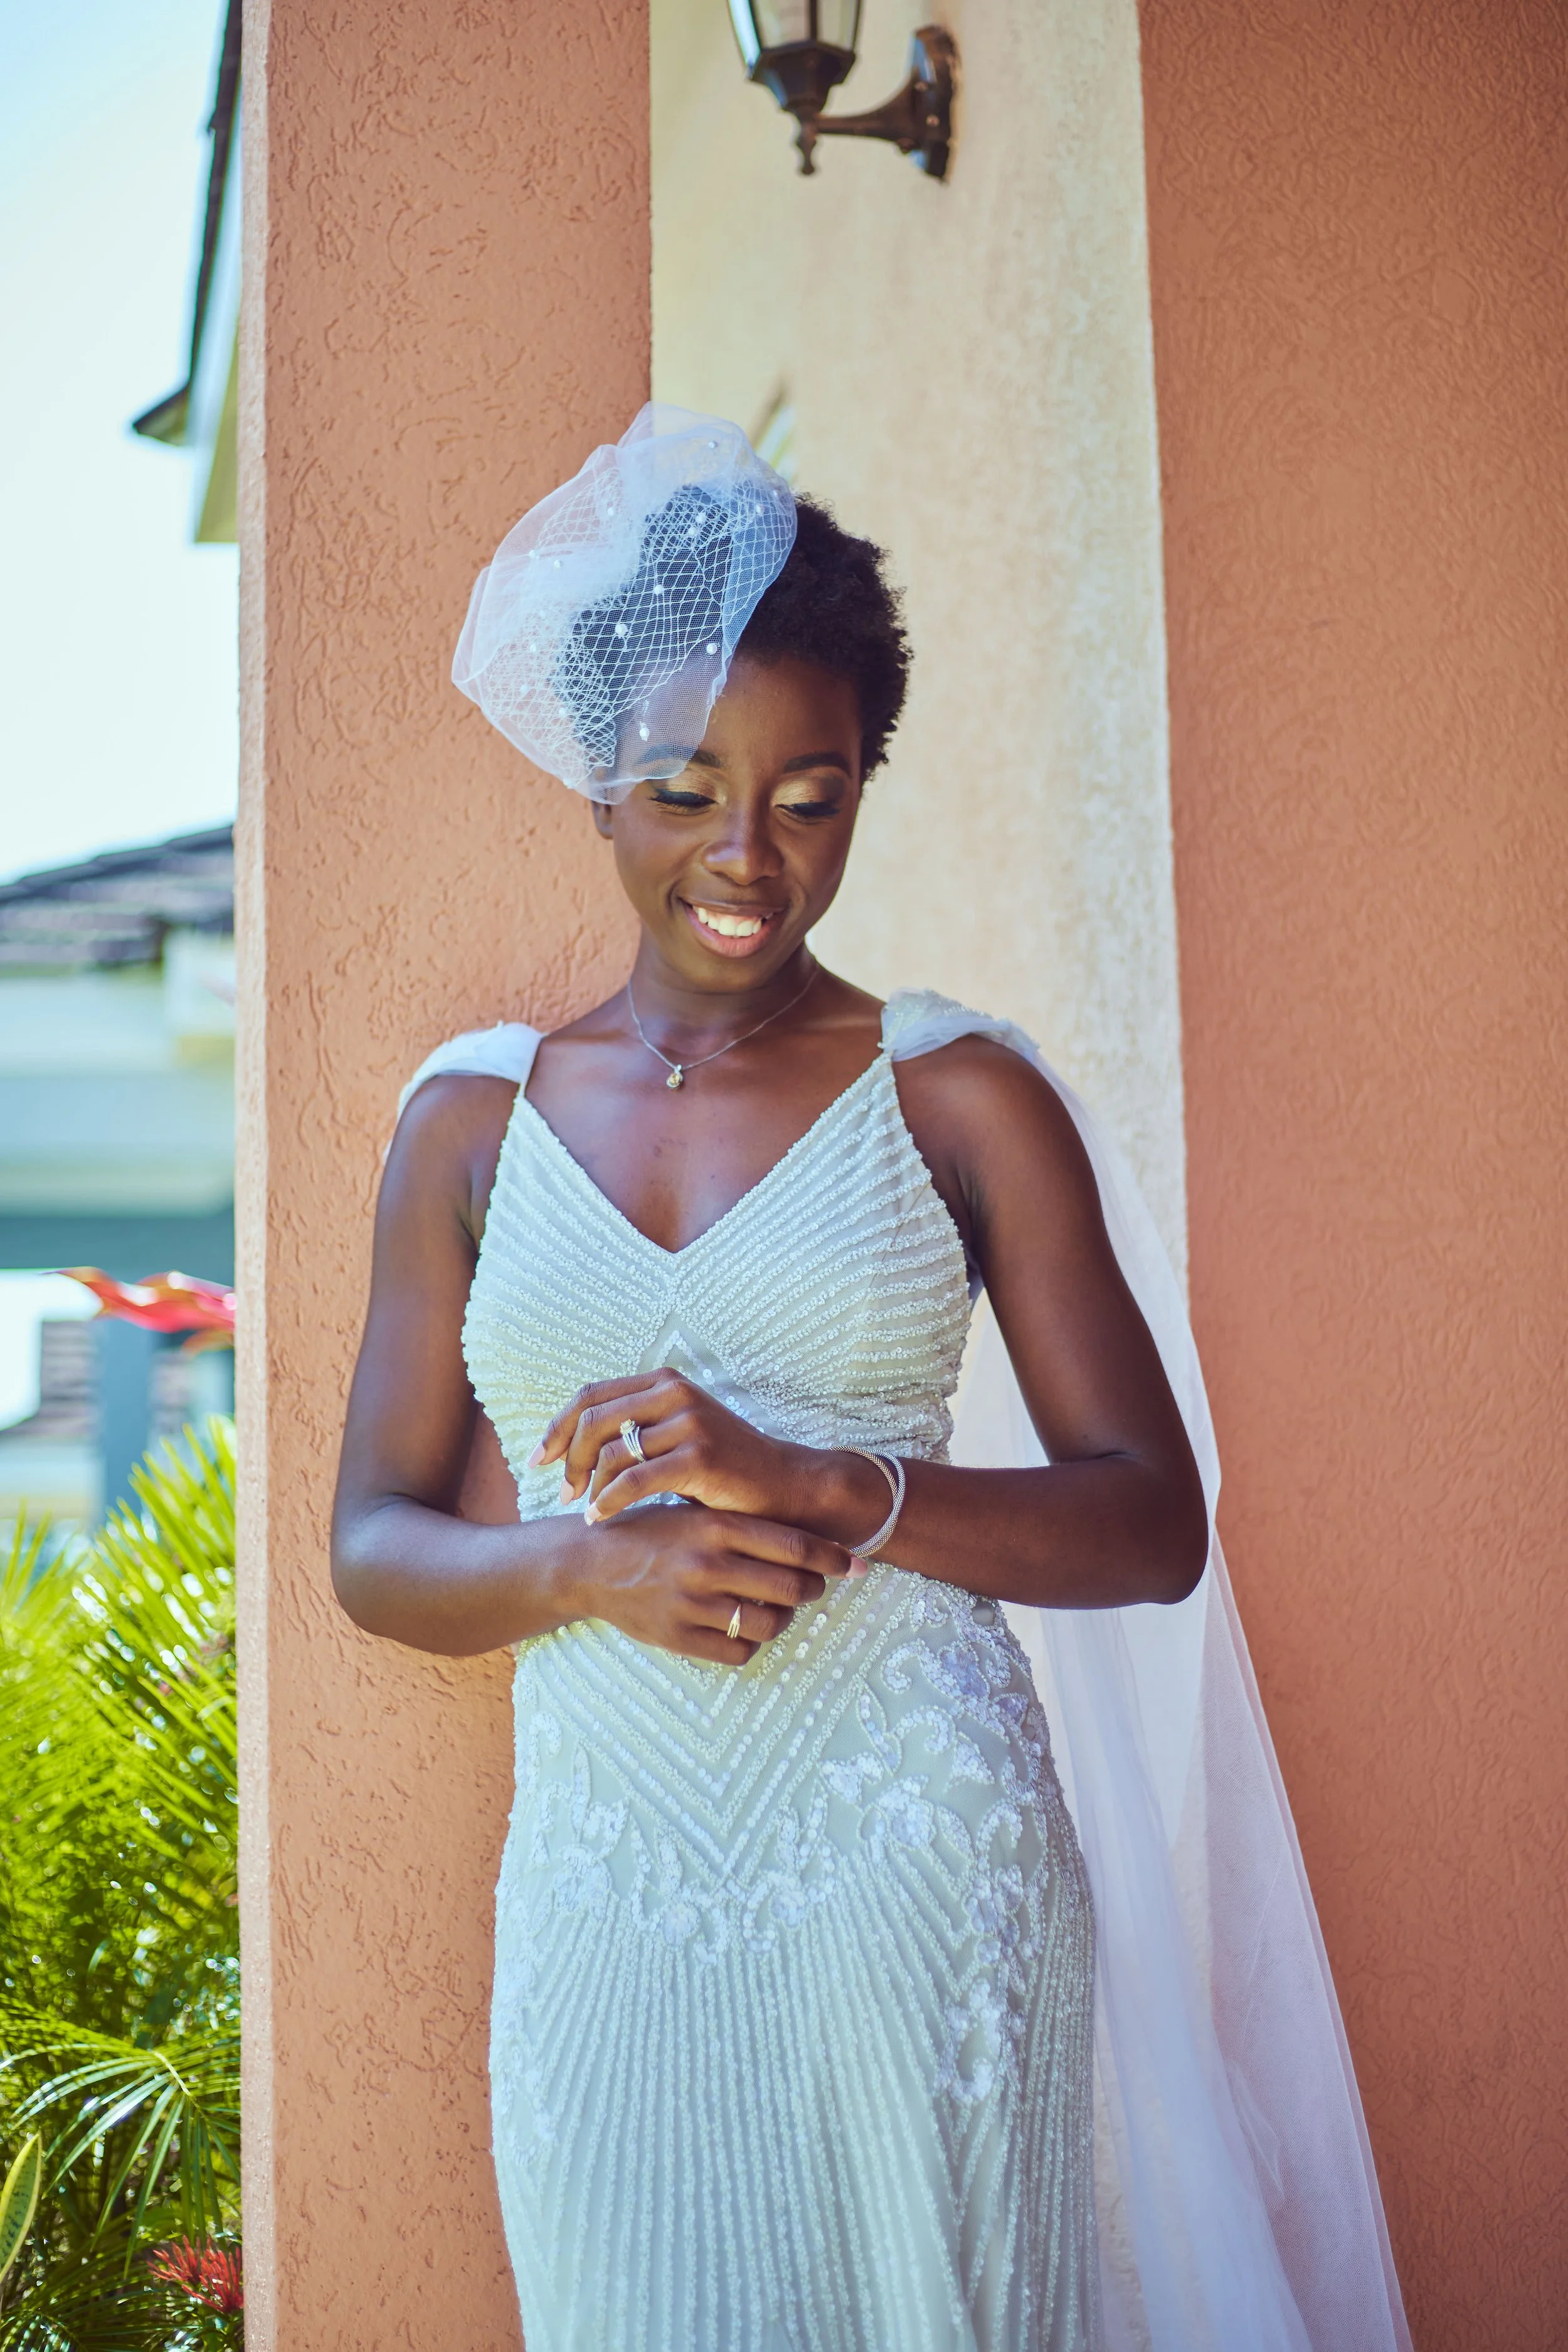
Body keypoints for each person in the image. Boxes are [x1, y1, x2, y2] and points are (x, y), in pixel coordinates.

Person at [331, 411, 1411, 2352]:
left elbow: (1148, 1519)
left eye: (809, 796)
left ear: (860, 790)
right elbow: (371, 1545)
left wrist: (827, 1485)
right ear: (600, 784)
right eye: (684, 786)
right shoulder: (467, 1127)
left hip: (916, 1870)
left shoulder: (956, 1095)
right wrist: (591, 1568)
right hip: (605, 1903)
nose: (745, 857)